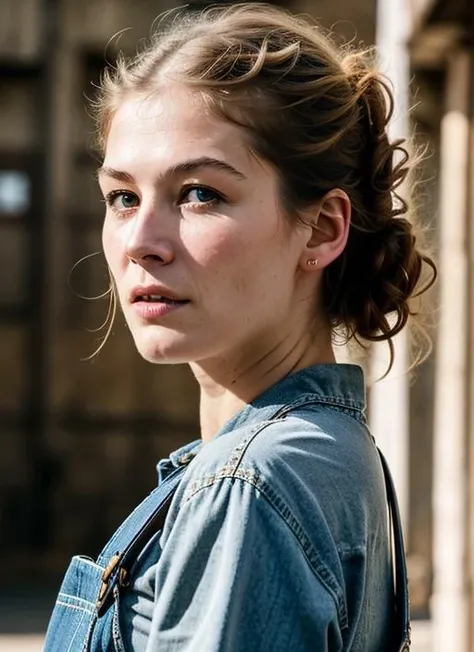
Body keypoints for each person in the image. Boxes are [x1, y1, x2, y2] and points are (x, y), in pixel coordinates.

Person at [44, 3, 436, 651]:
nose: (141, 241)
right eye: (123, 197)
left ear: (323, 227)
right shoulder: (332, 450)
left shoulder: (253, 484)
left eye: (200, 193)